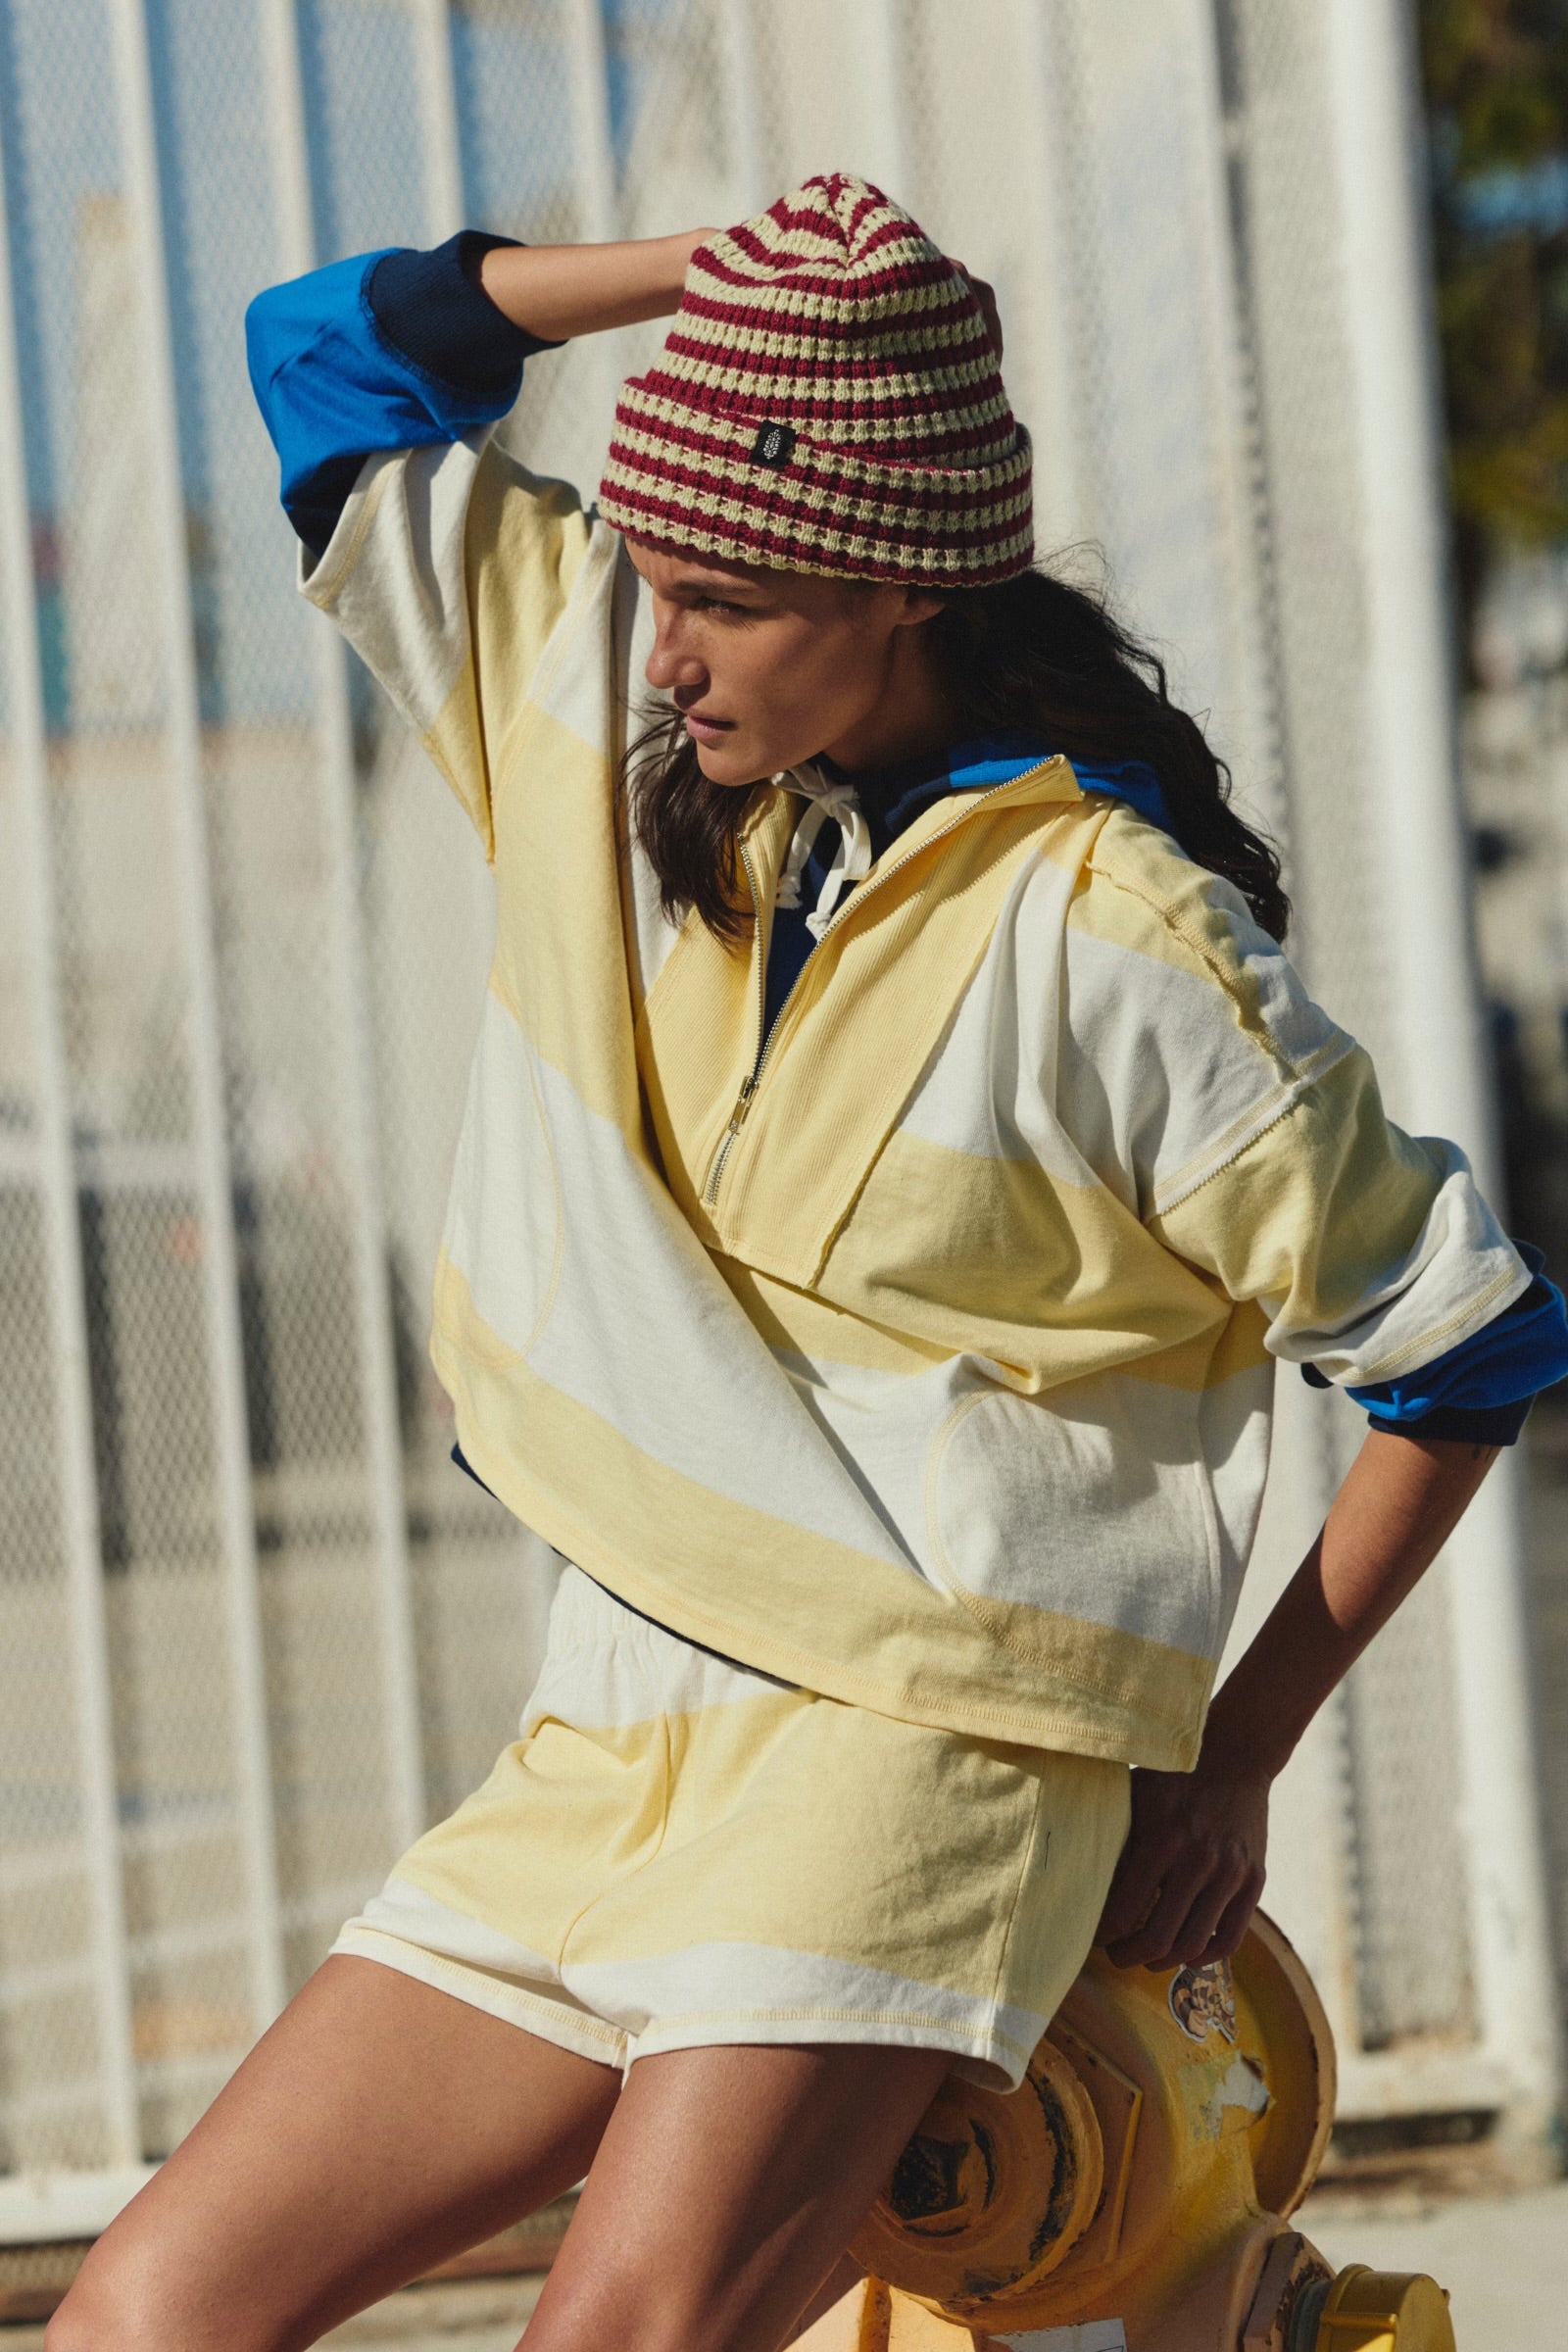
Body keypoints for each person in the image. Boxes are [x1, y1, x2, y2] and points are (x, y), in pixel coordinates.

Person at [53, 172, 1568, 2352]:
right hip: (610, 1715)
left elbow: (1459, 1352)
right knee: (146, 2316)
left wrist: (1231, 1758)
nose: (665, 645)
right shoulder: (608, 699)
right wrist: (736, 274)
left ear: (905, 584)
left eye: (731, 600)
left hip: (913, 1761)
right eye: (657, 576)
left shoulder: (1118, 937)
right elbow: (326, 351)